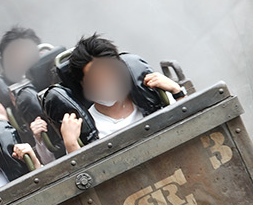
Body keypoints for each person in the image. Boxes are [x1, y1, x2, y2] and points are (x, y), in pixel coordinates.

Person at [53, 35, 185, 151]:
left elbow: (189, 129)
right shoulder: (84, 129)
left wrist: (177, 93)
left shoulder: (152, 96)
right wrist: (71, 145)